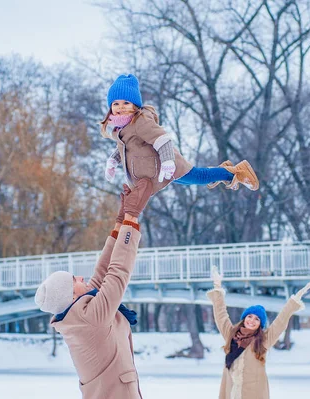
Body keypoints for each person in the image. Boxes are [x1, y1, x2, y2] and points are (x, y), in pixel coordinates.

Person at [34, 179, 153, 399]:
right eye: (74, 279)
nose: (81, 277)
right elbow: (117, 273)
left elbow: (102, 272)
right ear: (71, 295)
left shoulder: (80, 315)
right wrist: (133, 217)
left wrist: (121, 220)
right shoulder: (90, 319)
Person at [101, 74, 260, 195]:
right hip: (158, 169)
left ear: (135, 104)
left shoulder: (140, 121)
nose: (120, 107)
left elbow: (162, 140)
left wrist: (168, 161)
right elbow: (125, 147)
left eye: (126, 103)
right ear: (110, 106)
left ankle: (236, 172)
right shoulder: (122, 127)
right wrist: (113, 161)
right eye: (116, 103)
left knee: (199, 177)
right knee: (197, 178)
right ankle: (224, 171)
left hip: (166, 163)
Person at [207, 266, 310, 399]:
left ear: (260, 324)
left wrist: (293, 302)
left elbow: (280, 322)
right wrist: (217, 285)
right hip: (231, 391)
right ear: (244, 318)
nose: (252, 320)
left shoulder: (264, 340)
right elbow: (220, 314)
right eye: (249, 316)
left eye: (257, 319)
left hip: (254, 393)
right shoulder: (231, 334)